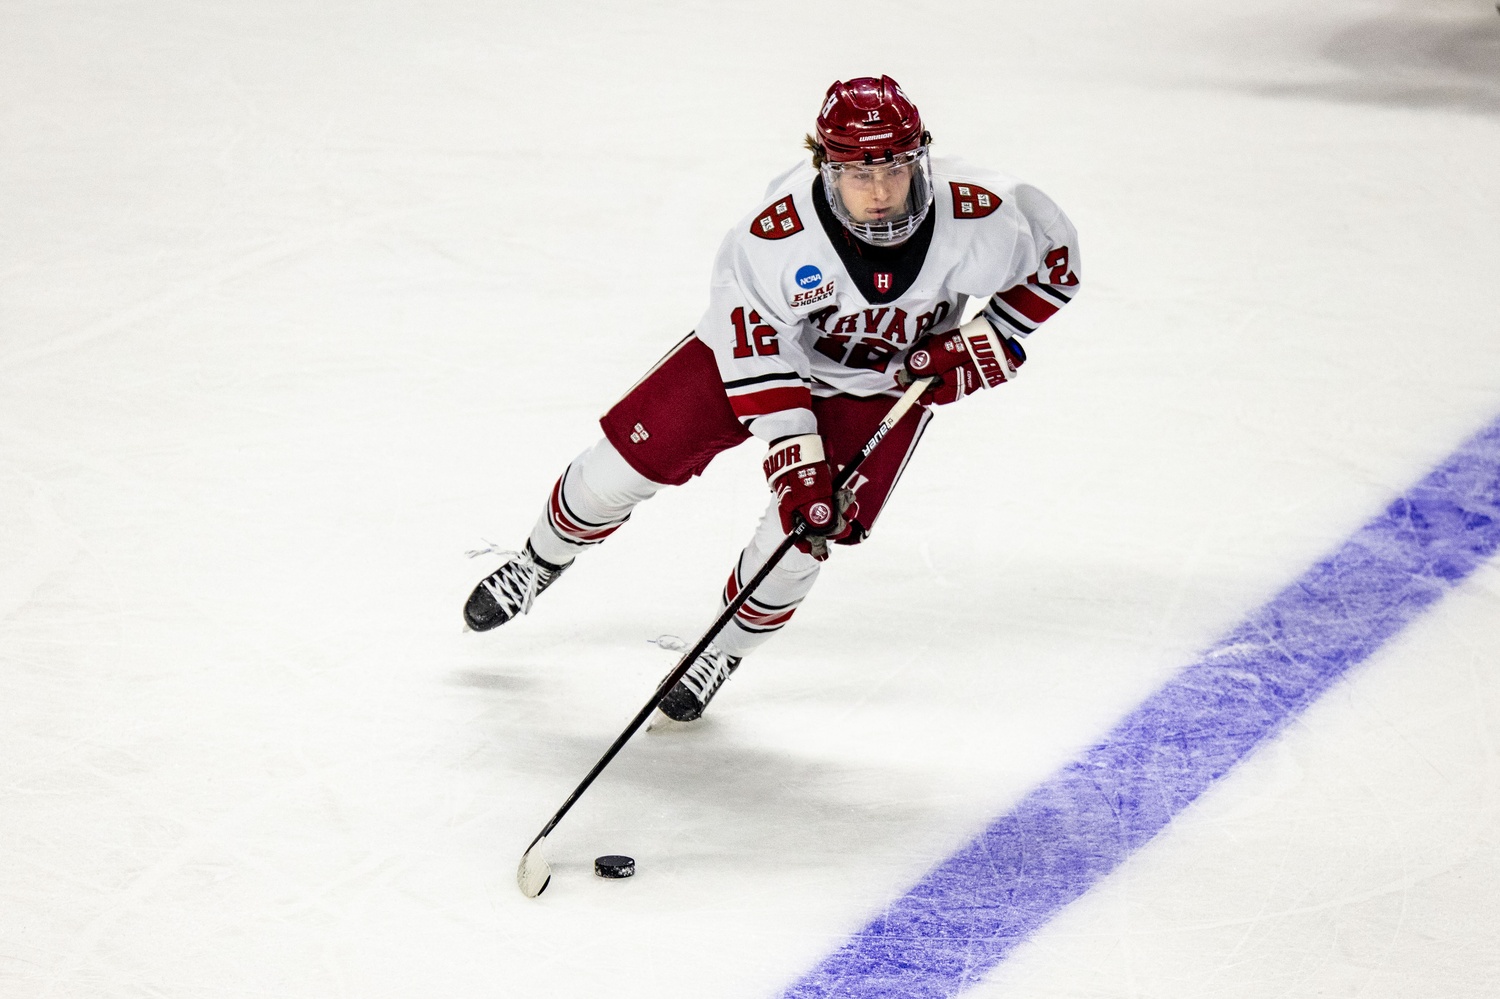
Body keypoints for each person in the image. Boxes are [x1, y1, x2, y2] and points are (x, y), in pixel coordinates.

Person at [464, 75, 1081, 722]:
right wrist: (796, 450)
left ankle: (719, 650)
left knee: (805, 533)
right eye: (856, 173)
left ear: (920, 157)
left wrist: (994, 336)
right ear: (826, 166)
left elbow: (1058, 260)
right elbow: (756, 349)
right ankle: (538, 561)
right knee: (617, 467)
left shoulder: (982, 213)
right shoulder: (777, 235)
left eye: (895, 169)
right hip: (757, 360)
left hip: (881, 383)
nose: (878, 192)